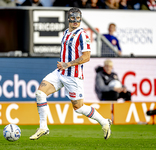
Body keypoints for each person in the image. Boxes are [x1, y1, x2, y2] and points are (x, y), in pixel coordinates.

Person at [29, 7, 112, 141]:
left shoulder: (83, 35)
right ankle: (43, 127)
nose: (75, 21)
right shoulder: (66, 32)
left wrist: (67, 64)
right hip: (60, 72)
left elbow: (86, 57)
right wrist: (64, 65)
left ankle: (104, 122)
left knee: (78, 108)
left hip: (73, 76)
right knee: (40, 93)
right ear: (68, 18)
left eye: (78, 18)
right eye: (73, 18)